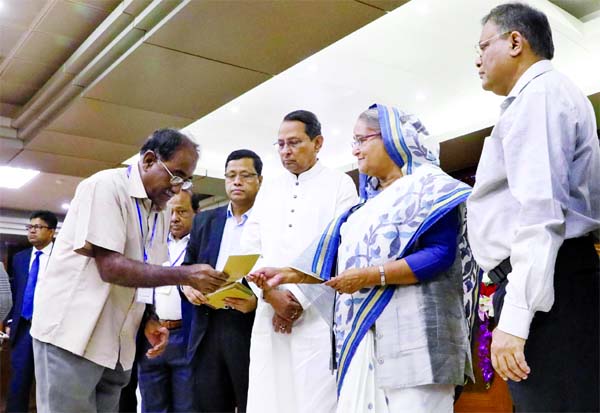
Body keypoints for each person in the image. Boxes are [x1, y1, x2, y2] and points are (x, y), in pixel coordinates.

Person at [249, 104, 478, 412]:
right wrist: (291, 274)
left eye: (361, 140)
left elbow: (440, 253)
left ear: (394, 139)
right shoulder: (362, 210)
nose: (355, 151)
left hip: (418, 339)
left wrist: (371, 277)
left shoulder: (430, 189)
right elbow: (336, 257)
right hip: (365, 341)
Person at [29, 128, 228, 413]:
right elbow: (111, 267)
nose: (178, 187)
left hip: (116, 344)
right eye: (176, 175)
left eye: (186, 180)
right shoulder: (105, 187)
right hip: (72, 336)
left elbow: (145, 270)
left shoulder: (159, 211)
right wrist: (186, 274)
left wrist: (149, 316)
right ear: (148, 160)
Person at [467, 3, 600, 412]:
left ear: (515, 41)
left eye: (483, 45)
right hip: (553, 282)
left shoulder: (539, 95)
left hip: (551, 289)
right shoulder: (541, 96)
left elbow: (540, 215)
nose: (477, 59)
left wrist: (518, 317)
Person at [241, 110, 358, 413]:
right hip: (269, 309)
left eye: (293, 142)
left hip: (317, 311)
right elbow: (249, 249)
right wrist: (270, 295)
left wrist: (297, 300)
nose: (285, 151)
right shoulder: (269, 189)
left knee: (314, 398)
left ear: (317, 142)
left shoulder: (340, 185)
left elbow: (340, 248)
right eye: (279, 144)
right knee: (268, 396)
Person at [181, 149, 263, 412]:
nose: (236, 181)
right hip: (207, 324)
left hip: (248, 324)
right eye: (230, 175)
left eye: (245, 175)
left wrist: (257, 301)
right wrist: (186, 286)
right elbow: (186, 267)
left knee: (252, 401)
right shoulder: (205, 220)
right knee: (208, 402)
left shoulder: (270, 219)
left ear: (259, 180)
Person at [137, 190, 196, 412]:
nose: (174, 218)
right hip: (151, 334)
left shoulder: (201, 245)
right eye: (170, 212)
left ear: (195, 213)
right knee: (152, 405)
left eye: (182, 212)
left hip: (186, 336)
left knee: (187, 405)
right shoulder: (151, 244)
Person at [4, 210, 57, 413]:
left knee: (51, 383)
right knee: (18, 381)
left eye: (38, 227)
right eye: (30, 227)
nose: (32, 231)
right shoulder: (20, 258)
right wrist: (9, 321)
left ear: (51, 231)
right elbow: (15, 292)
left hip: (52, 328)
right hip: (24, 326)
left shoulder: (63, 257)